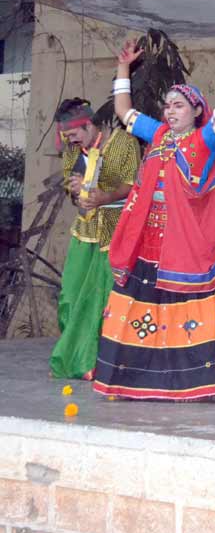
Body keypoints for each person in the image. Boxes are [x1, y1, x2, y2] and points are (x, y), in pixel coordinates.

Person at [93, 27, 215, 401]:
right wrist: (122, 69)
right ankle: (131, 381)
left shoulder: (205, 140)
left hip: (185, 247)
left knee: (182, 312)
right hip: (147, 242)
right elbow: (123, 111)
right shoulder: (159, 135)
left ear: (196, 111)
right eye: (167, 106)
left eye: (178, 105)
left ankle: (192, 385)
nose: (170, 111)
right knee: (137, 308)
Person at [49, 98, 140, 380]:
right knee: (71, 295)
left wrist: (104, 197)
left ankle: (95, 363)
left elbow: (134, 185)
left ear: (88, 125)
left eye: (74, 135)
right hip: (85, 231)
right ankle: (72, 358)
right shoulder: (72, 152)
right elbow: (76, 200)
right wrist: (78, 195)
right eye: (67, 138)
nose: (71, 142)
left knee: (101, 299)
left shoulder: (124, 143)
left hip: (115, 230)